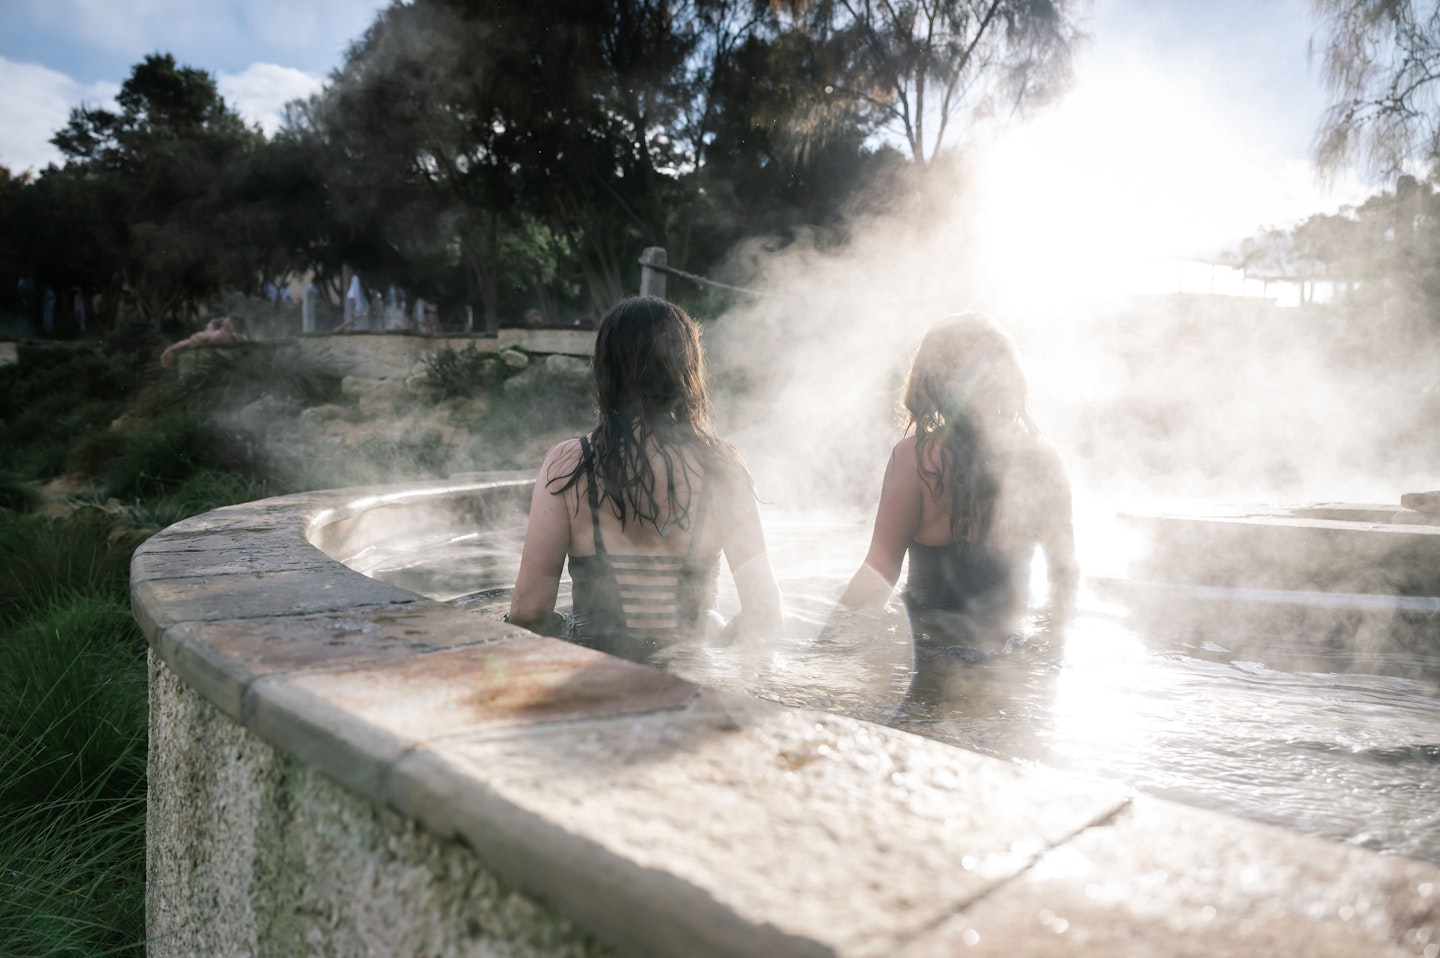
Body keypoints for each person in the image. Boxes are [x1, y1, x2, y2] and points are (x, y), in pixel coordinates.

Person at [508, 296, 784, 664]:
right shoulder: (722, 468)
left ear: (606, 371)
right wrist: (719, 644)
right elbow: (765, 613)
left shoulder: (569, 464)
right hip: (694, 678)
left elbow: (529, 610)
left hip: (597, 677)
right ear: (687, 369)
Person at [838, 312, 1077, 665]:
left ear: (930, 382)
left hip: (926, 660)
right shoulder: (1043, 462)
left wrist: (825, 645)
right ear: (1008, 379)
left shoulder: (915, 461)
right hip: (1009, 664)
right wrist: (1050, 651)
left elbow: (877, 575)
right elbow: (1065, 575)